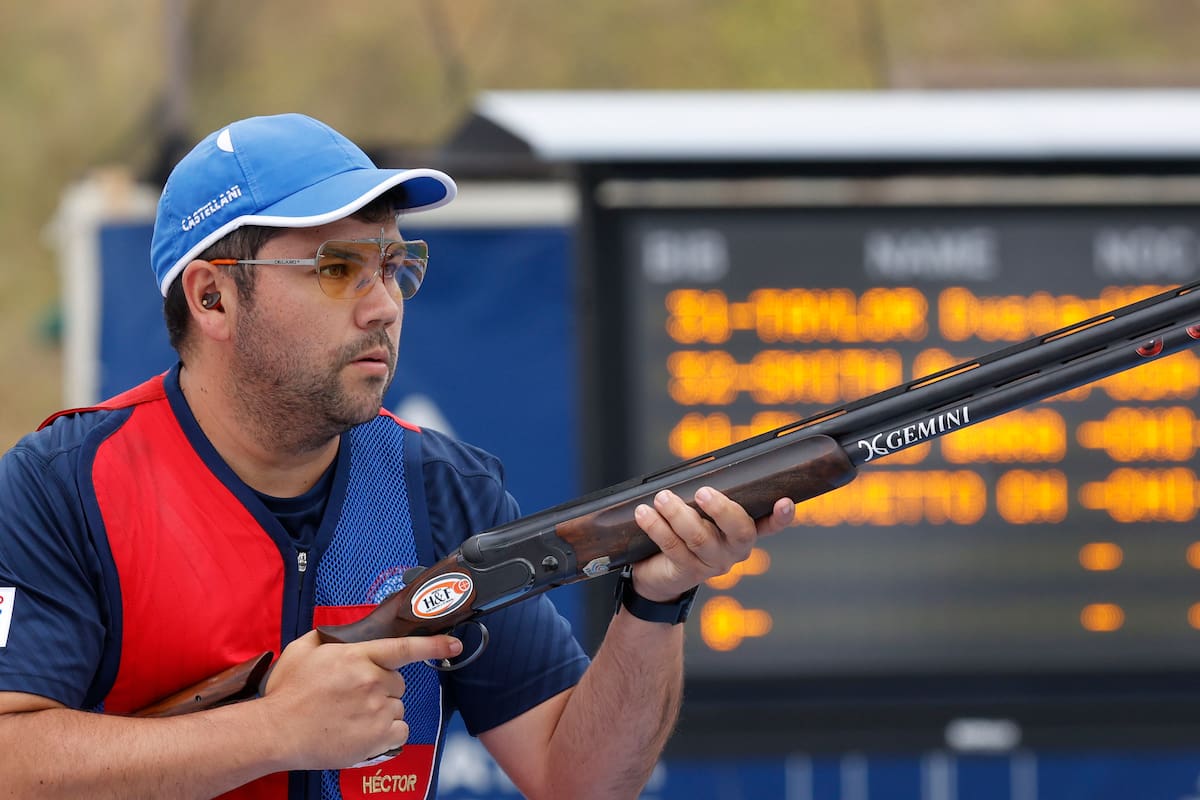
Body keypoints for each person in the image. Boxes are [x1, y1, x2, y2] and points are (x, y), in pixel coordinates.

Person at [0, 113, 795, 799]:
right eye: (337, 269)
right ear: (213, 297)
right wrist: (273, 731)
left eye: (392, 266)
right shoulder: (62, 485)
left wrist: (655, 603)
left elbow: (577, 780)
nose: (383, 305)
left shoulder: (444, 489)